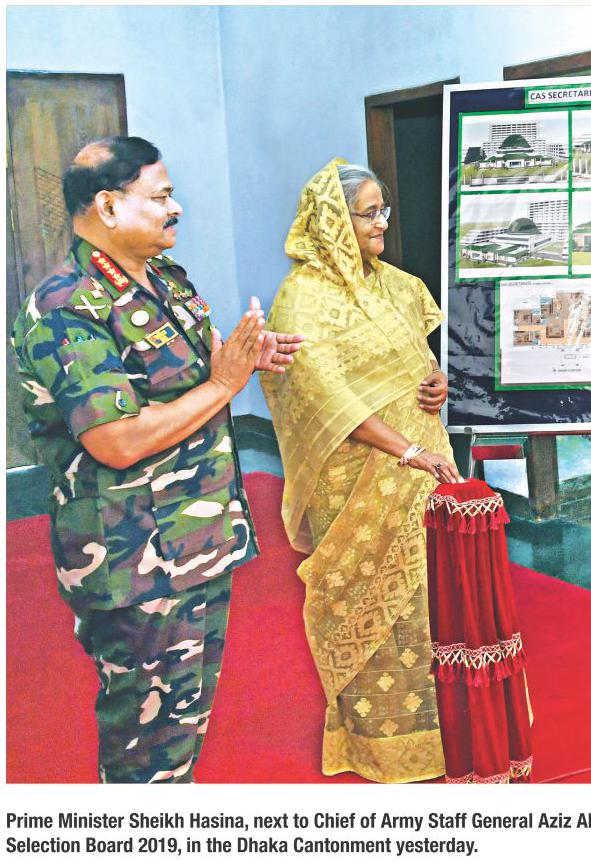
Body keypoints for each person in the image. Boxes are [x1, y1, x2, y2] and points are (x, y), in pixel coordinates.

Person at [11, 136, 303, 783]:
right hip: (134, 561)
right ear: (109, 206)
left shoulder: (165, 279)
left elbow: (191, 377)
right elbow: (115, 440)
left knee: (183, 732)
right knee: (146, 753)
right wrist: (224, 384)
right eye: (161, 196)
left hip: (197, 541)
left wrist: (243, 359)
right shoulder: (67, 305)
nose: (177, 209)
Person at [261, 160, 461, 783]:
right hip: (358, 477)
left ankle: (449, 729)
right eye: (369, 213)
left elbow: (420, 362)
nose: (382, 224)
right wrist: (406, 451)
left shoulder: (398, 285)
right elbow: (326, 398)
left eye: (384, 211)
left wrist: (437, 383)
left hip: (424, 466)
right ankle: (380, 744)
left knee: (434, 600)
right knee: (372, 606)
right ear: (332, 222)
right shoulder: (304, 298)